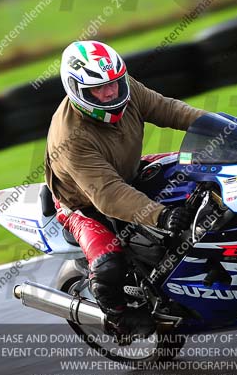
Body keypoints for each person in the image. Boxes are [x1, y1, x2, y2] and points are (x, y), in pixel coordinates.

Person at [44, 40, 206, 336]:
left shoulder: (123, 87)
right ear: (77, 91)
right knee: (108, 262)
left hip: (129, 170)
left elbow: (168, 109)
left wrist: (221, 125)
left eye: (114, 84)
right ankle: (117, 317)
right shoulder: (70, 138)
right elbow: (108, 195)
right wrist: (161, 216)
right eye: (98, 89)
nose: (109, 93)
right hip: (83, 202)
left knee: (201, 167)